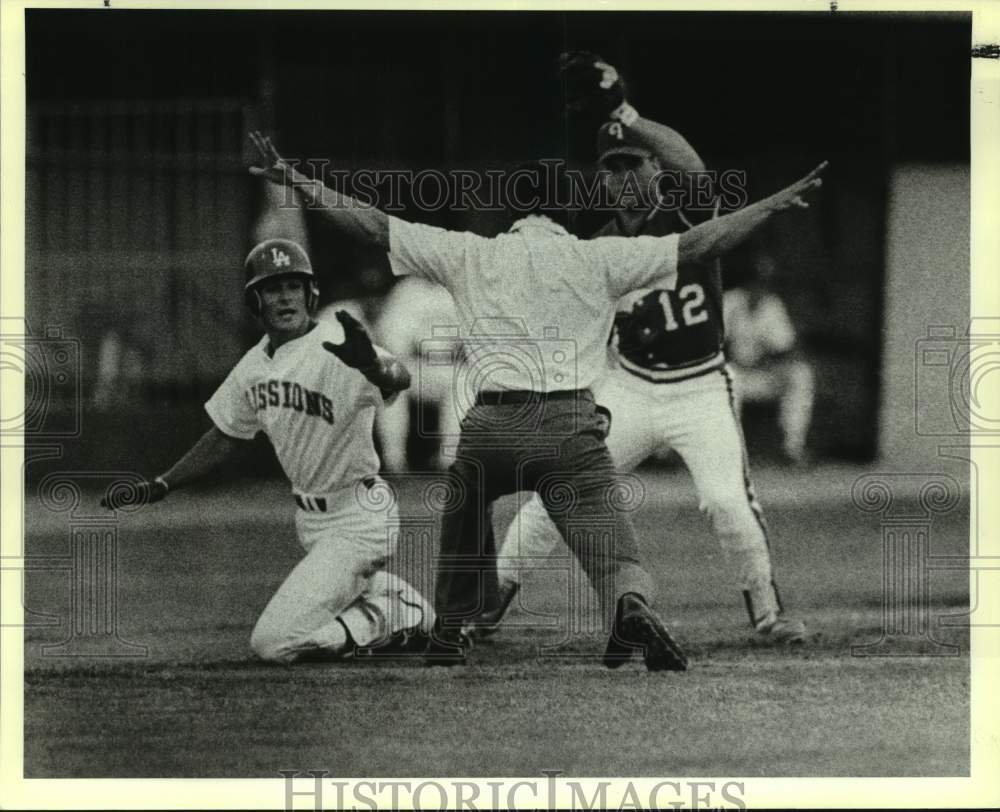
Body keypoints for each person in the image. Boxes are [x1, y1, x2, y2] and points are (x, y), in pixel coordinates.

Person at [247, 129, 824, 670]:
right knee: (615, 546)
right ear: (569, 212)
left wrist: (299, 181)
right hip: (570, 424)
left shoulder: (469, 251)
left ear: (511, 211)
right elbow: (704, 240)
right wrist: (768, 205)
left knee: (466, 512)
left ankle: (452, 625)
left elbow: (372, 224)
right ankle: (629, 602)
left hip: (492, 425)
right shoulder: (597, 256)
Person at [466, 53, 808, 646]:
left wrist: (625, 113)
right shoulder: (592, 247)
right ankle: (487, 604)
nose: (625, 177)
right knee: (557, 496)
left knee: (728, 502)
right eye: (613, 167)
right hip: (628, 386)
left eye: (635, 164)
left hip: (700, 384)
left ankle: (767, 611)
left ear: (656, 168)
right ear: (601, 177)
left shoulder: (687, 215)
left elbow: (694, 166)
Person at [103, 238, 434, 663]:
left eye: (294, 286)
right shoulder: (254, 365)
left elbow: (399, 378)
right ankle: (386, 595)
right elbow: (224, 435)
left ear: (310, 293)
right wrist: (165, 483)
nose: (285, 297)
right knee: (299, 623)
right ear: (255, 300)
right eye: (273, 288)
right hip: (314, 523)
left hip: (360, 516)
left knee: (275, 643)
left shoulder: (338, 344)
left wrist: (372, 365)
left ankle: (390, 615)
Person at [724, 254, 816, 465]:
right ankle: (729, 453)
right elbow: (710, 343)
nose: (760, 286)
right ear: (746, 280)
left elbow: (785, 348)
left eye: (765, 280)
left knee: (801, 376)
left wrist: (768, 359)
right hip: (731, 373)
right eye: (756, 279)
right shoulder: (730, 301)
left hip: (759, 376)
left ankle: (792, 449)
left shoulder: (772, 305)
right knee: (729, 376)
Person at [374, 276, 464, 472]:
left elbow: (470, 335)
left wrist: (460, 348)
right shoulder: (407, 290)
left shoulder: (458, 288)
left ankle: (447, 461)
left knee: (462, 383)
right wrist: (411, 347)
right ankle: (394, 462)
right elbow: (390, 336)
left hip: (448, 367)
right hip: (413, 364)